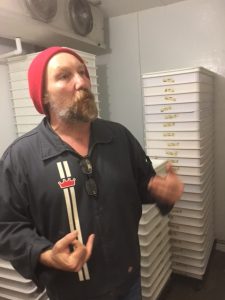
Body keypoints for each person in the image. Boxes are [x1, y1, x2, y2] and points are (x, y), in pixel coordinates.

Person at [0, 46, 183, 300]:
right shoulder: (20, 158)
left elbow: (143, 185)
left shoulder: (118, 137)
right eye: (64, 76)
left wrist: (164, 192)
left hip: (128, 281)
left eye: (83, 73)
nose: (81, 82)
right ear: (43, 96)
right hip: (70, 292)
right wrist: (45, 254)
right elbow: (7, 228)